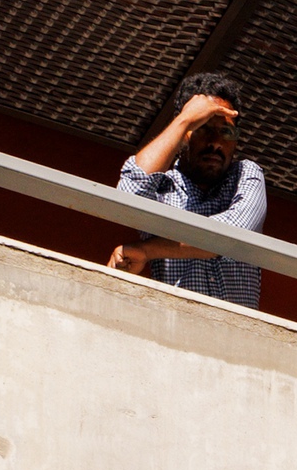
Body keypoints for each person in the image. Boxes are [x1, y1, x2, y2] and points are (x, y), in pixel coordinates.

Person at [107, 73, 266, 306]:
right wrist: (184, 120)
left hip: (237, 327)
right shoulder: (161, 188)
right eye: (203, 128)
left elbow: (228, 237)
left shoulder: (246, 175)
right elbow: (126, 196)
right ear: (185, 134)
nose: (216, 142)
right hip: (175, 323)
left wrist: (148, 250)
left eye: (226, 132)